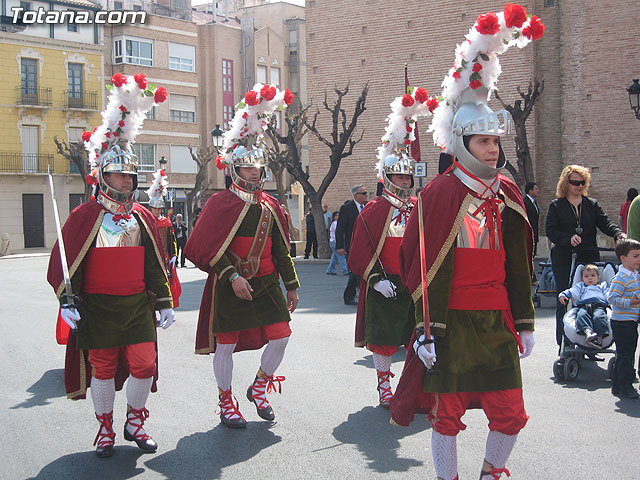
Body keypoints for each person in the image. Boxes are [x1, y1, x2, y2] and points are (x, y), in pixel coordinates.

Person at [390, 9, 543, 479]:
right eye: (483, 141)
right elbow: (412, 263)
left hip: (496, 321)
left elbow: (518, 265)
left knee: (511, 413)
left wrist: (524, 318)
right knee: (446, 417)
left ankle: (490, 472)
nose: (493, 149)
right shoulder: (439, 194)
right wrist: (423, 327)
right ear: (460, 142)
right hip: (450, 322)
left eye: (496, 141)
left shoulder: (510, 193)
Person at [47, 73, 174, 458]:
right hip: (97, 307)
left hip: (136, 306)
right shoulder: (84, 217)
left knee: (144, 364)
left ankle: (135, 420)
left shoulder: (143, 217)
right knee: (102, 368)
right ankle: (104, 428)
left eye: (130, 174)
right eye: (119, 173)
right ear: (102, 176)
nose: (126, 179)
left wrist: (164, 300)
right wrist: (66, 301)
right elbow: (63, 263)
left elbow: (156, 263)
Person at [184, 83, 299, 429]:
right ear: (234, 169)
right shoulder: (220, 203)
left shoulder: (270, 205)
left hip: (265, 284)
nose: (254, 173)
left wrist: (290, 284)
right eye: (247, 167)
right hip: (230, 286)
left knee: (282, 335)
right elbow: (205, 249)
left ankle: (260, 386)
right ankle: (226, 402)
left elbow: (281, 248)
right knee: (226, 346)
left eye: (257, 168)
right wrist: (231, 277)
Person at [546, 165, 625, 350]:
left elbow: (605, 222)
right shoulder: (556, 205)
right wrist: (567, 238)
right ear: (566, 183)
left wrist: (618, 234)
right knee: (564, 298)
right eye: (575, 182)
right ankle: (564, 342)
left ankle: (592, 338)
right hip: (564, 257)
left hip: (588, 257)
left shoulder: (591, 204)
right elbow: (550, 230)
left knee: (591, 299)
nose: (579, 186)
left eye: (582, 183)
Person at [607, 238, 640, 399]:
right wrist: (630, 302)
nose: (639, 259)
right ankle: (625, 385)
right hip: (622, 322)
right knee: (625, 354)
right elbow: (611, 298)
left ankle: (617, 384)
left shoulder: (634, 275)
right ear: (623, 258)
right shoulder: (621, 278)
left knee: (626, 353)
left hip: (630, 320)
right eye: (635, 256)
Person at [147, 169, 181, 308]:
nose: (156, 211)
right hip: (150, 256)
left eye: (159, 209)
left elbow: (172, 239)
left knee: (167, 282)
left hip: (165, 257)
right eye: (154, 209)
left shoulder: (166, 222)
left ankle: (165, 305)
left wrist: (173, 255)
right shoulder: (146, 221)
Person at [558, 264, 609, 348]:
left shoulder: (602, 286)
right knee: (581, 316)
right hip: (583, 306)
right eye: (586, 276)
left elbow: (608, 294)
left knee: (599, 317)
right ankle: (588, 332)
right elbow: (573, 291)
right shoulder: (581, 286)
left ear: (598, 278)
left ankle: (599, 337)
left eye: (593, 275)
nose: (590, 278)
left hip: (599, 305)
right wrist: (563, 294)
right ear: (582, 279)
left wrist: (613, 299)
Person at [336, 185, 368, 305]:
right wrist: (340, 246)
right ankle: (350, 296)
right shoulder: (347, 208)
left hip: (365, 245)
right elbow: (340, 228)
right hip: (352, 245)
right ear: (356, 195)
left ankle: (355, 295)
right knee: (355, 270)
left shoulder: (368, 206)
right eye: (363, 193)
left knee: (361, 271)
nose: (366, 195)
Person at [523, 182, 540, 258]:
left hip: (534, 234)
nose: (538, 191)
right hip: (528, 235)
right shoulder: (525, 202)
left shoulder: (534, 202)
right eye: (536, 189)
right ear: (530, 191)